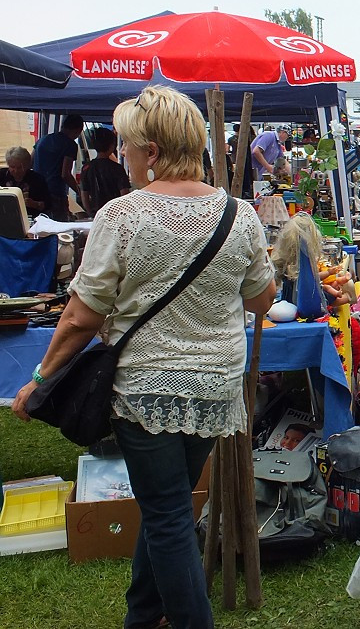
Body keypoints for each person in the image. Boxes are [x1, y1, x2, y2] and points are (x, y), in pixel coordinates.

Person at [13, 85, 277, 628]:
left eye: (130, 148)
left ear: (152, 151)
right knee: (172, 505)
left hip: (147, 389)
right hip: (215, 388)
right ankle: (143, 615)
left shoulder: (124, 216)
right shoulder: (238, 214)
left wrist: (40, 378)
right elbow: (261, 298)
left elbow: (83, 316)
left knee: (166, 513)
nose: (124, 158)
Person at [32, 113, 83, 220]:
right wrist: (80, 191)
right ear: (77, 130)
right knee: (59, 227)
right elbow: (65, 174)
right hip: (55, 193)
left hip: (37, 191)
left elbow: (30, 161)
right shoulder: (70, 145)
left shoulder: (43, 139)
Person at [79, 127, 131, 217]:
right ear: (112, 146)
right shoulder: (117, 168)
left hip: (96, 213)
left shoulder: (86, 168)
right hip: (115, 213)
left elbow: (84, 194)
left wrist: (89, 211)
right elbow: (124, 194)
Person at [1, 146, 50, 215]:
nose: (16, 171)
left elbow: (47, 205)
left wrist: (35, 204)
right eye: (12, 167)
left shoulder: (37, 179)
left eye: (19, 167)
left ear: (27, 165)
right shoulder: (2, 175)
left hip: (30, 216)